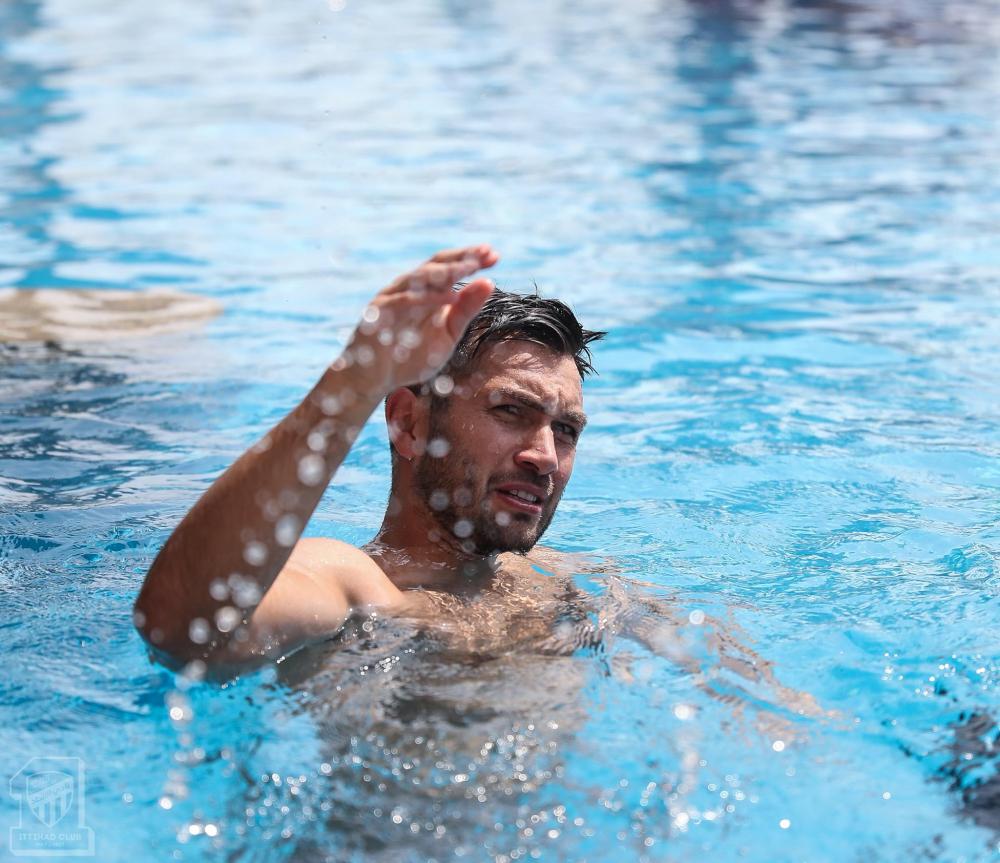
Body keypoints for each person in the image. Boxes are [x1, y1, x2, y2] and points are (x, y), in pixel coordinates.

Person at [134, 244, 607, 675]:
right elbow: (183, 627)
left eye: (565, 430)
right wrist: (353, 385)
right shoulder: (353, 586)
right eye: (510, 411)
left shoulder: (557, 580)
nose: (546, 457)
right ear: (409, 424)